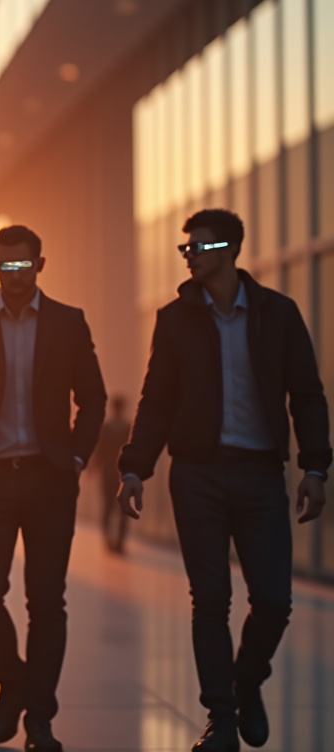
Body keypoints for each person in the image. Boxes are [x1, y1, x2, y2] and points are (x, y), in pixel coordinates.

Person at [117, 209, 329, 752]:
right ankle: (221, 720)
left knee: (275, 601)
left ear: (231, 250)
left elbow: (306, 393)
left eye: (200, 248)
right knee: (210, 598)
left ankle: (247, 680)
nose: (189, 256)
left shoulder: (278, 315)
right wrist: (135, 467)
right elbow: (157, 401)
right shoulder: (174, 319)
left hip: (261, 475)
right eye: (185, 248)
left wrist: (315, 466)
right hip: (197, 476)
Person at [0, 225, 106, 752]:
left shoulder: (68, 323)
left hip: (50, 477)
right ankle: (14, 685)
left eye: (23, 264)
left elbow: (93, 399)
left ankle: (39, 721)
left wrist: (76, 459)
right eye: (4, 265)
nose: (14, 274)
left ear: (40, 264)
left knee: (46, 602)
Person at [94, 396, 131, 554]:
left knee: (108, 506)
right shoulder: (127, 427)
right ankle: (118, 541)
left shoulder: (107, 427)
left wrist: (95, 467)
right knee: (122, 507)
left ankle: (109, 539)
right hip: (121, 471)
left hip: (110, 471)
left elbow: (100, 449)